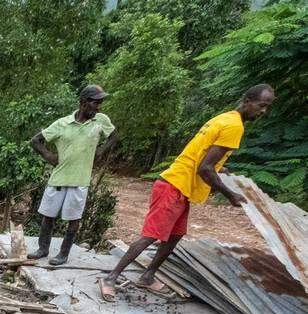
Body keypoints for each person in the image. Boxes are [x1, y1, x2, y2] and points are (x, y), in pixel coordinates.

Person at [100, 84, 275, 301]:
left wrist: (222, 169)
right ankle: (111, 277)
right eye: (261, 105)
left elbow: (205, 156)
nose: (263, 111)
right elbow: (205, 168)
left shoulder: (225, 118)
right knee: (151, 236)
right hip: (174, 185)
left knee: (175, 235)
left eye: (267, 107)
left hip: (181, 186)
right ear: (248, 101)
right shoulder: (234, 127)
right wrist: (229, 194)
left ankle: (147, 276)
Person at [28, 84, 117, 265]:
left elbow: (114, 136)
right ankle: (43, 248)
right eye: (95, 102)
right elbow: (35, 141)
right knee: (48, 215)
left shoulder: (100, 120)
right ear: (83, 102)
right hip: (59, 177)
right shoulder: (62, 124)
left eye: (100, 103)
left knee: (73, 219)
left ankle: (63, 254)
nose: (98, 107)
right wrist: (48, 155)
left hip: (80, 179)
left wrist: (101, 151)